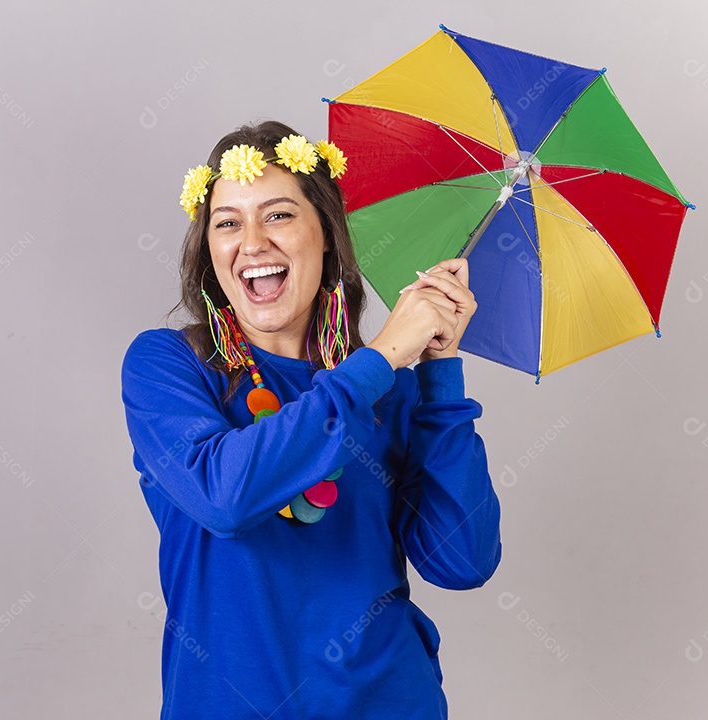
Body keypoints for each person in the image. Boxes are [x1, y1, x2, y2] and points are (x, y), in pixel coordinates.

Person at [121, 120, 502, 719]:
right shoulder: (168, 366)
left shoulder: (387, 385)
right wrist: (381, 359)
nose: (252, 242)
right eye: (228, 222)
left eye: (278, 215)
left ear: (325, 235)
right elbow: (223, 497)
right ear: (209, 249)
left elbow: (462, 562)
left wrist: (439, 374)